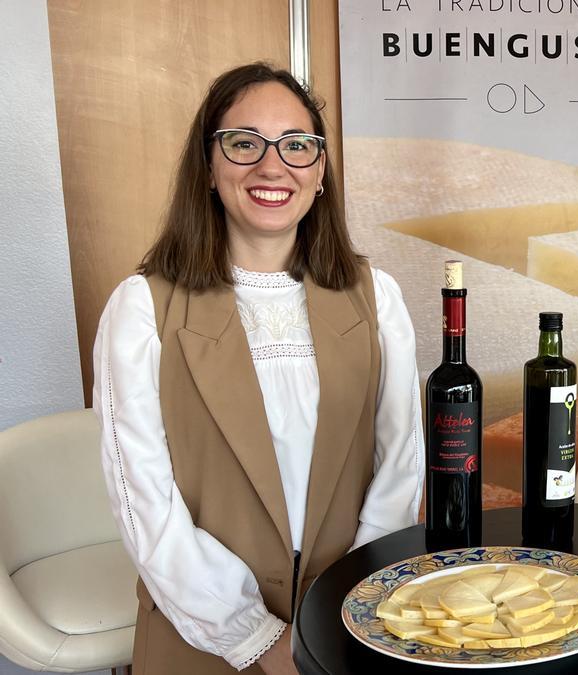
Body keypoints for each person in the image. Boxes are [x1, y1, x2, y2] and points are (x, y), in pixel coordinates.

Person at [93, 63, 424, 674]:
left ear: (320, 172)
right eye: (244, 143)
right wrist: (258, 639)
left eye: (298, 146)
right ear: (209, 168)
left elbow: (398, 470)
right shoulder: (141, 310)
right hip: (201, 639)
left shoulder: (378, 299)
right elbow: (145, 506)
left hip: (352, 627)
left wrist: (354, 605)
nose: (273, 168)